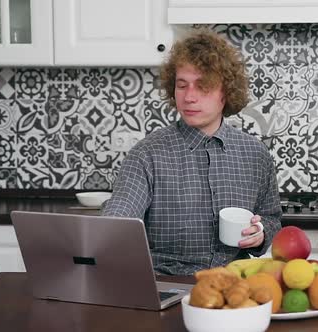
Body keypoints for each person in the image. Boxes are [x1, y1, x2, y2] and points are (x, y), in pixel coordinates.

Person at [102, 30, 282, 275]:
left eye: (203, 86)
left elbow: (271, 218)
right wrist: (103, 234)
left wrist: (260, 234)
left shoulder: (256, 155)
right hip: (166, 284)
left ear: (226, 93)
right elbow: (120, 217)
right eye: (182, 85)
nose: (189, 97)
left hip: (235, 283)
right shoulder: (147, 154)